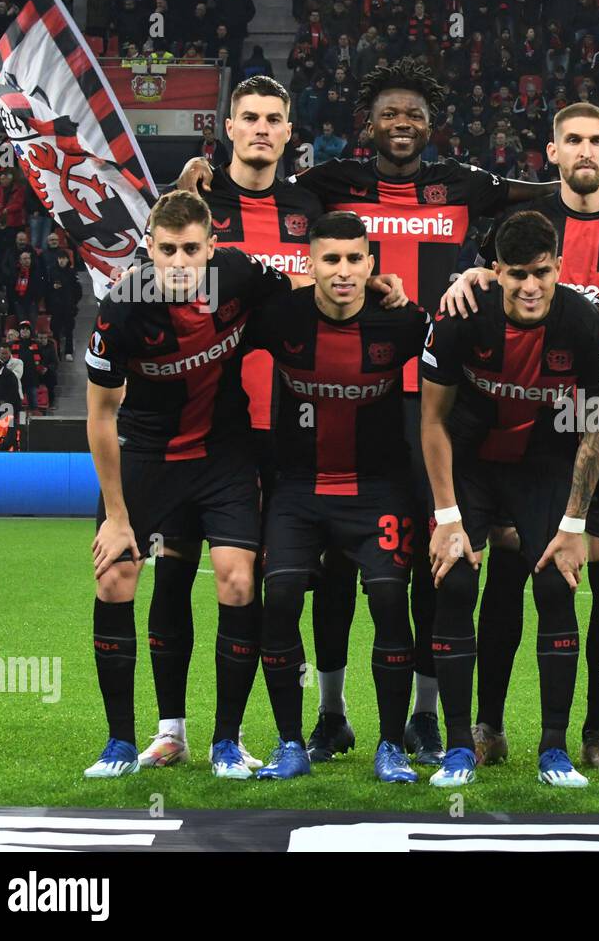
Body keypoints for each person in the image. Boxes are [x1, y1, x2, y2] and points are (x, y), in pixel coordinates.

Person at [177, 58, 599, 768]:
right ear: (370, 122)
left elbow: (556, 187)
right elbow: (249, 184)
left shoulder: (470, 187)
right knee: (330, 564)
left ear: (431, 122)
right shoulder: (329, 187)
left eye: (414, 112)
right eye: (389, 112)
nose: (402, 122)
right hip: (353, 392)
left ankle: (422, 717)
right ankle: (331, 713)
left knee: (428, 562)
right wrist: (195, 176)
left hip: (444, 402)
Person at [438, 102, 599, 771]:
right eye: (573, 139)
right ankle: (485, 725)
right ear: (551, 150)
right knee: (511, 575)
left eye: (597, 140)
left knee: (595, 583)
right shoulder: (522, 229)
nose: (585, 150)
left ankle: (595, 730)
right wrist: (469, 275)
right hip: (531, 434)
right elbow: (488, 283)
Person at [81, 190, 294, 779]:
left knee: (237, 581)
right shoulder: (122, 308)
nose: (178, 261)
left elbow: (306, 299)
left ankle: (228, 739)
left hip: (224, 455)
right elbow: (99, 416)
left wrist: (379, 290)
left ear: (212, 248)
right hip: (147, 457)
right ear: (149, 248)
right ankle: (127, 742)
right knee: (118, 577)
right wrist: (117, 516)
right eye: (167, 249)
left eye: (190, 249)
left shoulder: (240, 274)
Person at [419, 210, 599, 788]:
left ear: (558, 267)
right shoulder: (458, 317)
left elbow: (598, 427)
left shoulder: (584, 323)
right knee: (454, 579)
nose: (530, 287)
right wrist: (447, 517)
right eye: (515, 274)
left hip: (543, 465)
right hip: (472, 464)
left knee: (556, 582)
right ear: (494, 271)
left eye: (542, 272)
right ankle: (458, 748)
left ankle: (553, 749)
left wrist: (575, 522)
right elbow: (431, 418)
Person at [251, 212, 429, 782]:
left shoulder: (402, 323)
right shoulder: (281, 318)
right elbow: (214, 311)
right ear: (310, 264)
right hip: (298, 491)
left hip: (378, 490)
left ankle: (391, 746)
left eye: (355, 259)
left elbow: (459, 349)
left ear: (372, 265)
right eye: (331, 259)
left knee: (387, 604)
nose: (344, 271)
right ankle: (289, 743)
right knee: (278, 601)